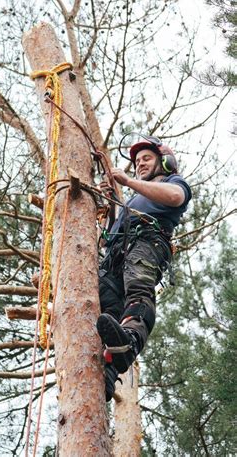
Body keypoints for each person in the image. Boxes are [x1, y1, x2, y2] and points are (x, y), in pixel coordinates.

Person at [96, 135, 192, 401]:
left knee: (138, 294)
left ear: (165, 162)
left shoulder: (172, 182)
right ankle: (108, 367)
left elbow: (175, 197)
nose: (140, 164)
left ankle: (129, 343)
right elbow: (109, 234)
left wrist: (127, 182)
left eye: (146, 158)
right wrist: (112, 202)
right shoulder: (133, 199)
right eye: (137, 162)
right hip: (115, 256)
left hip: (146, 244)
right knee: (107, 307)